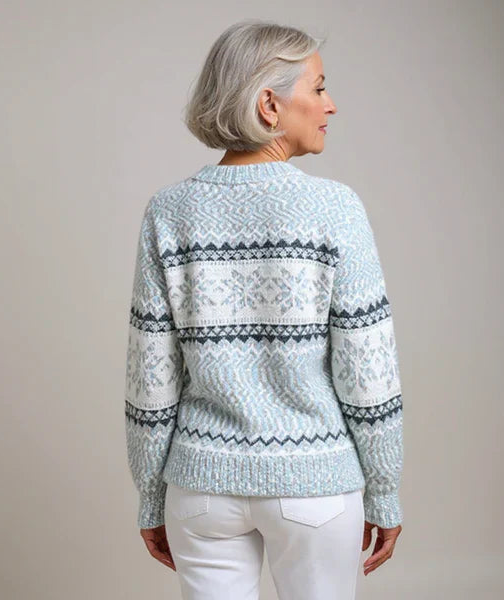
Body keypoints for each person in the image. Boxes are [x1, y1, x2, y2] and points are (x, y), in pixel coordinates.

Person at [124, 19, 404, 600]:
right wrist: (383, 490)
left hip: (200, 488)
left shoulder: (169, 211)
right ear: (269, 104)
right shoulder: (334, 209)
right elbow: (367, 370)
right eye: (319, 88)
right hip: (314, 483)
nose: (331, 104)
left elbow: (150, 377)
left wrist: (151, 495)